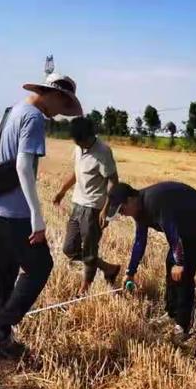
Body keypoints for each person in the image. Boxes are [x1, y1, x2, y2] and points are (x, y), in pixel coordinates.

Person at [0, 73, 82, 357]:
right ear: (55, 95)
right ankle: (0, 326)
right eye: (62, 106)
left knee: (4, 277)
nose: (58, 114)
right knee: (40, 267)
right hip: (13, 215)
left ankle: (2, 342)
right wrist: (37, 215)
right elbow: (24, 167)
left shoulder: (12, 111)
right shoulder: (34, 117)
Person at [107, 181, 196, 343]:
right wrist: (130, 273)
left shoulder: (155, 201)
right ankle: (171, 312)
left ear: (130, 199)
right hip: (183, 227)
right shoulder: (139, 210)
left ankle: (182, 325)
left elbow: (172, 232)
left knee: (184, 273)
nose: (122, 214)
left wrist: (180, 263)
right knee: (170, 264)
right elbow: (140, 241)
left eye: (122, 209)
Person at [53, 117, 121, 294]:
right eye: (76, 142)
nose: (79, 145)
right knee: (69, 248)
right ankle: (108, 268)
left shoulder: (103, 151)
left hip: (94, 208)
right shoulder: (78, 148)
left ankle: (85, 288)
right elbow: (76, 173)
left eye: (81, 141)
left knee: (90, 250)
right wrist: (62, 192)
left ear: (89, 135)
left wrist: (106, 209)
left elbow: (113, 181)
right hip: (77, 204)